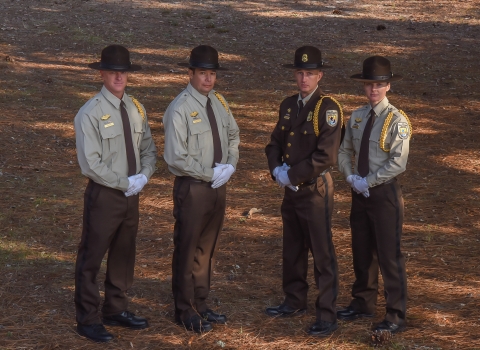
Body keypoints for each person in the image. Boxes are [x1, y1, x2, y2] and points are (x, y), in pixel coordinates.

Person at [73, 45, 157, 342]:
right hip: (106, 195)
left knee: (124, 253)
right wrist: (124, 182)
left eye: (123, 72)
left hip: (132, 192)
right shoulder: (90, 113)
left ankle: (116, 308)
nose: (119, 77)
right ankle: (87, 317)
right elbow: (91, 164)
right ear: (102, 74)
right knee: (92, 256)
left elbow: (148, 147)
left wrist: (144, 175)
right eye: (113, 72)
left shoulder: (136, 107)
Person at [265, 46, 345, 336]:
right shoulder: (288, 105)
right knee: (293, 247)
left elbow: (326, 156)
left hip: (315, 190)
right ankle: (294, 300)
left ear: (319, 75)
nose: (303, 79)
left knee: (322, 252)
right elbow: (274, 143)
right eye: (299, 73)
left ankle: (327, 313)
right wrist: (277, 171)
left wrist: (292, 175)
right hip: (290, 188)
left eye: (309, 74)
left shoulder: (328, 109)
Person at [163, 45, 240, 333]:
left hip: (217, 186)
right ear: (190, 73)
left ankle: (201, 302)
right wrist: (209, 173)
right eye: (202, 73)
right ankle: (183, 309)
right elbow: (175, 157)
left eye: (212, 74)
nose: (208, 79)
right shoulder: (180, 108)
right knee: (186, 247)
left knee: (207, 248)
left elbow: (233, 133)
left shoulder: (218, 102)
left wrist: (230, 165)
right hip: (193, 188)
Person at [337, 56, 411, 339]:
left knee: (389, 255)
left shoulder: (397, 120)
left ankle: (395, 314)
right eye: (369, 85)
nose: (373, 90)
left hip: (383, 195)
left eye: (379, 84)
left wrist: (368, 180)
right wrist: (350, 177)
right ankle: (362, 302)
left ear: (388, 86)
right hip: (359, 192)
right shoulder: (356, 117)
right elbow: (344, 151)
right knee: (362, 249)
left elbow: (398, 162)